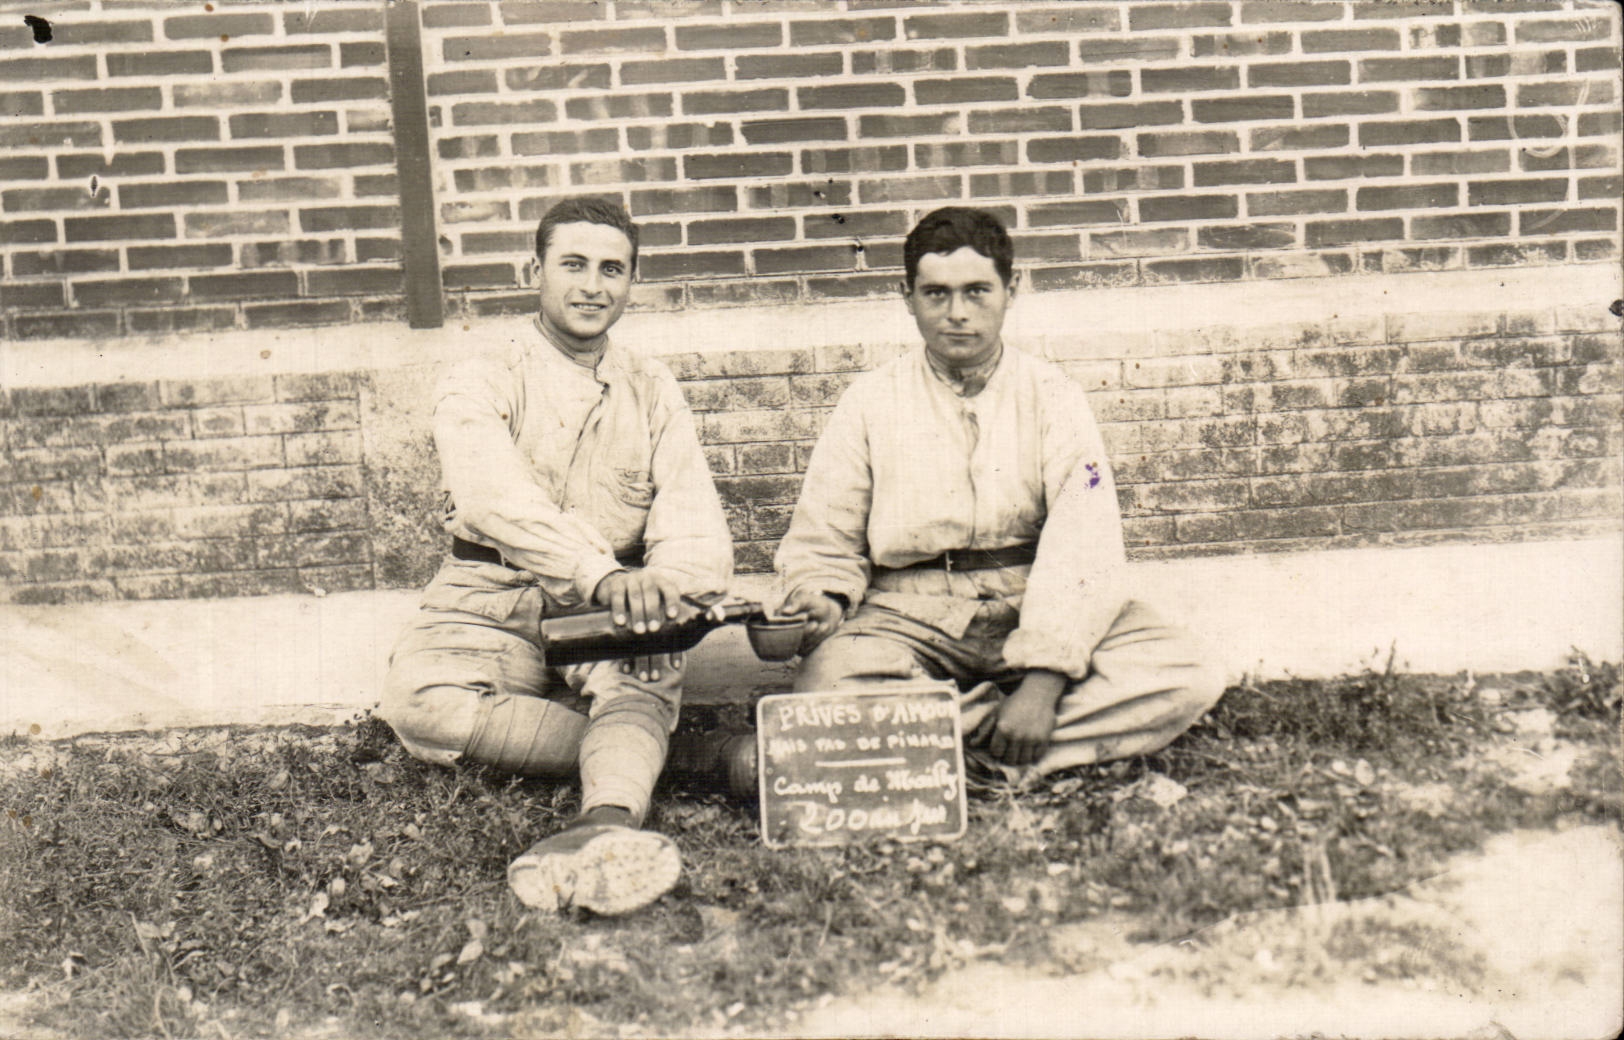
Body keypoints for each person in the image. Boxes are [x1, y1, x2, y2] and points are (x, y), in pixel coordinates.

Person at [775, 206, 1223, 780]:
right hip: (907, 611)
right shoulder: (869, 400)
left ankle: (939, 755)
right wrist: (822, 596)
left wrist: (1044, 681)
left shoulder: (1054, 395)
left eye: (977, 291)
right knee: (826, 685)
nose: (957, 313)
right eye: (935, 294)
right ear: (905, 296)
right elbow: (824, 536)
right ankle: (1005, 755)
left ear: (1012, 290)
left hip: (1029, 595)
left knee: (1184, 671)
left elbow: (1083, 547)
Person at [379, 196, 735, 915]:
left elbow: (694, 518)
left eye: (613, 269)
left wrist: (664, 587)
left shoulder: (652, 386)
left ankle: (604, 824)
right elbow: (490, 494)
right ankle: (694, 759)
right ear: (532, 270)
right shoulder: (485, 371)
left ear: (632, 283)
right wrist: (597, 571)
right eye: (573, 264)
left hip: (610, 603)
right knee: (422, 705)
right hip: (490, 589)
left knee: (642, 676)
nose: (593, 286)